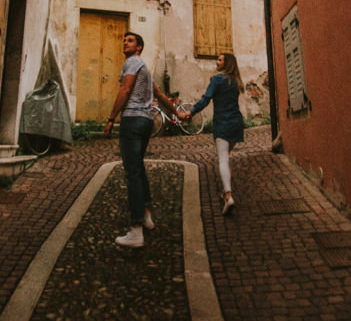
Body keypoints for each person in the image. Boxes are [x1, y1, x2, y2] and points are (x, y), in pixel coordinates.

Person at [104, 31, 180, 247]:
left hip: (132, 119)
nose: (124, 43)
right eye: (124, 40)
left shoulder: (132, 63)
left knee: (132, 173)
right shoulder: (144, 68)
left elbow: (125, 89)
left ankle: (136, 230)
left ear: (138, 47)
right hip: (147, 122)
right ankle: (146, 214)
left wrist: (111, 119)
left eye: (129, 41)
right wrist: (177, 113)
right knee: (138, 168)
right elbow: (160, 94)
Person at [180, 52, 246, 215]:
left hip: (223, 123)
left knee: (223, 159)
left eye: (220, 60)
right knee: (226, 156)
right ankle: (225, 192)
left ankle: (228, 196)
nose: (217, 62)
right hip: (236, 123)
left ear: (226, 63)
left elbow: (205, 99)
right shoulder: (235, 81)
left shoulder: (217, 80)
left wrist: (191, 112)